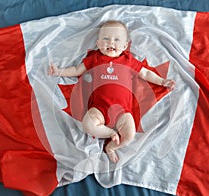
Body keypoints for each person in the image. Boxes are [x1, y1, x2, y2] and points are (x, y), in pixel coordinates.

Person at [48, 20, 175, 162]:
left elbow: (145, 74)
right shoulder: (95, 59)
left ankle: (111, 147)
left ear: (125, 45)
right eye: (106, 39)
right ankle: (110, 132)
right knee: (87, 124)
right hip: (99, 109)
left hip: (123, 111)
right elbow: (77, 70)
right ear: (98, 43)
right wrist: (59, 72)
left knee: (130, 134)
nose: (111, 43)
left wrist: (163, 82)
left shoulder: (128, 60)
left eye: (116, 39)